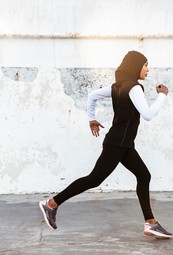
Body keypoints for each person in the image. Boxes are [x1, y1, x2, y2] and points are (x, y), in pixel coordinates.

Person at [39, 50, 172, 239]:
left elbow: (92, 95)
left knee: (144, 175)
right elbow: (148, 114)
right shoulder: (134, 88)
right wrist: (162, 95)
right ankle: (51, 204)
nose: (147, 69)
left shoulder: (117, 87)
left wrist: (91, 118)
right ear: (136, 66)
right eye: (145, 65)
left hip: (123, 144)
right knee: (94, 179)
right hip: (117, 144)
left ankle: (150, 223)